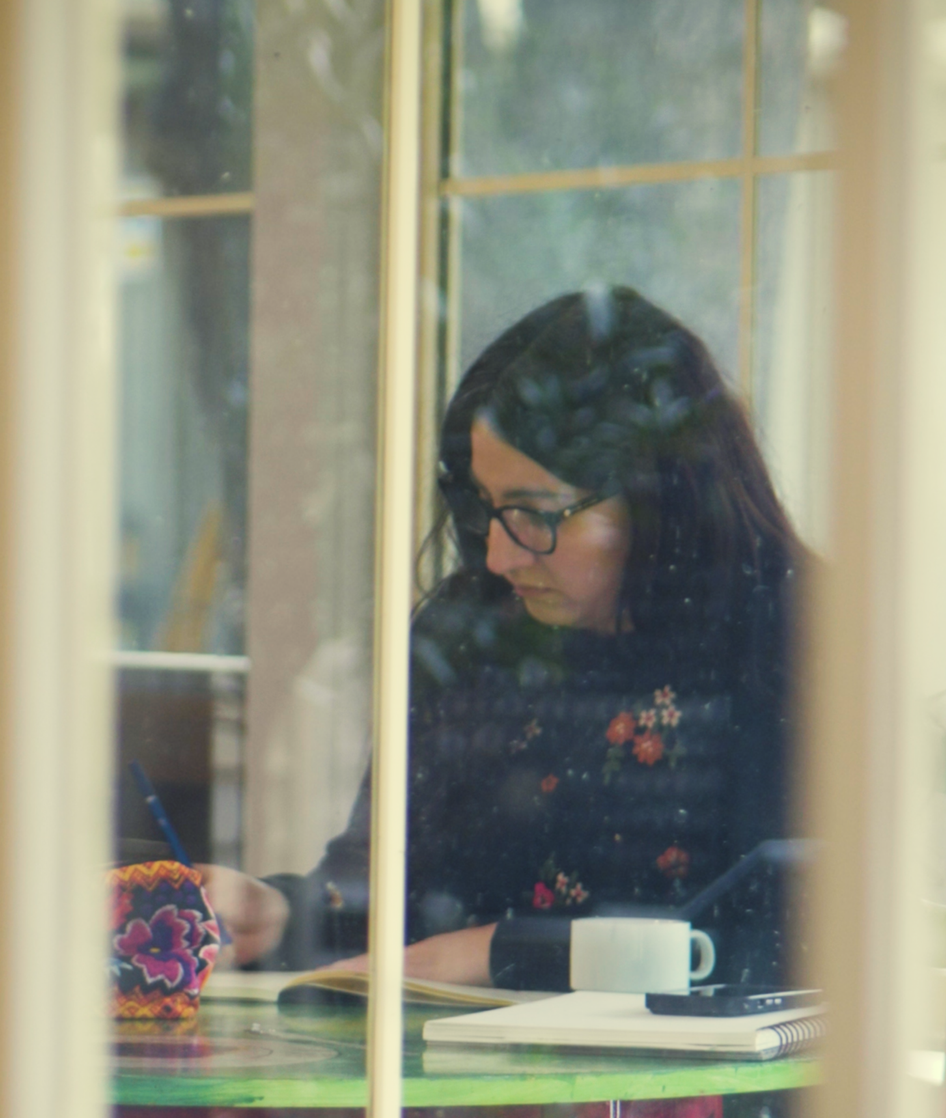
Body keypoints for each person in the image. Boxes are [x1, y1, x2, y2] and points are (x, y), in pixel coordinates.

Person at [206, 285, 808, 989]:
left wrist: (500, 952)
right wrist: (280, 914)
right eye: (486, 509)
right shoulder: (473, 632)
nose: (498, 555)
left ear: (660, 495)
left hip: (705, 1093)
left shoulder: (798, 647)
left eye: (534, 513)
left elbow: (785, 945)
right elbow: (394, 895)